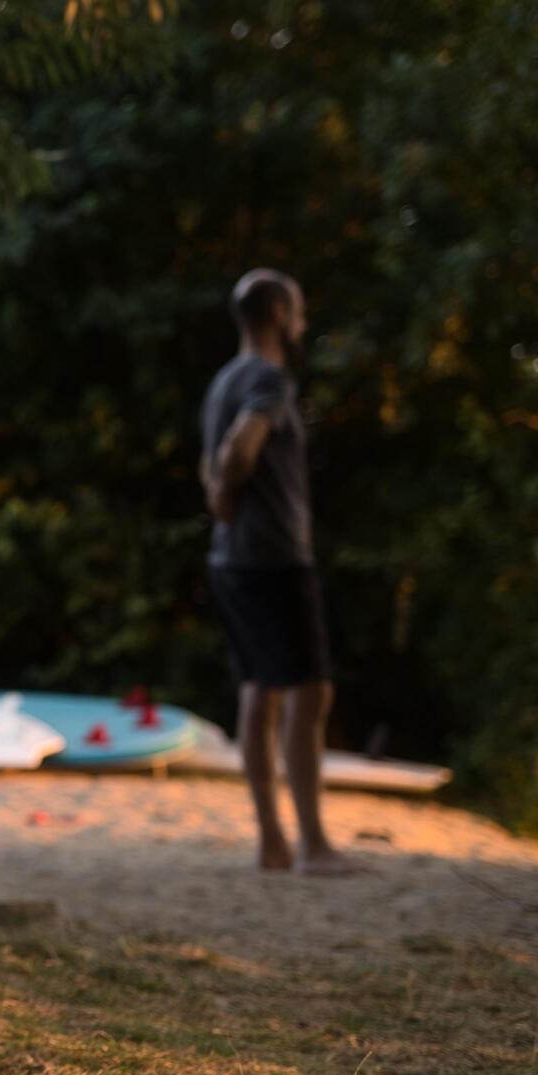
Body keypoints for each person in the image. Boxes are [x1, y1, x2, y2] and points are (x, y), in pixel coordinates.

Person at [199, 270, 356, 875]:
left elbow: (207, 456)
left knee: (259, 692)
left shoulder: (221, 383)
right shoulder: (268, 378)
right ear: (275, 314)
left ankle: (273, 842)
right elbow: (240, 448)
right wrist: (223, 489)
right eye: (298, 311)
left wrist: (216, 495)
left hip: (231, 557)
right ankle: (313, 845)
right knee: (309, 692)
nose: (304, 322)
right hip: (273, 557)